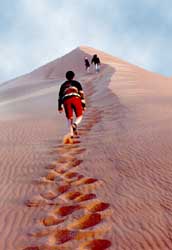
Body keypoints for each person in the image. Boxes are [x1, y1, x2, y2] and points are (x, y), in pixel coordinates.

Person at [58, 71, 86, 138]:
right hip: (75, 98)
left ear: (66, 77)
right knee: (80, 116)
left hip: (66, 100)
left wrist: (60, 107)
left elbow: (60, 97)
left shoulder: (62, 85)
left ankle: (71, 134)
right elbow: (81, 94)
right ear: (73, 76)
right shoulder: (77, 83)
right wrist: (83, 105)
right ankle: (75, 125)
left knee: (69, 118)